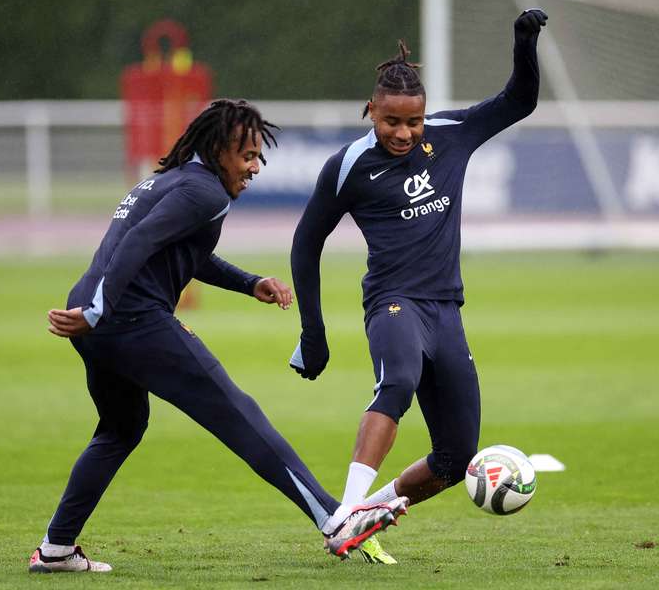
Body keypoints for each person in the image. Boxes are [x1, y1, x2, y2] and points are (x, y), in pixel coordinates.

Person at [29, 99, 408, 574]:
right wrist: (98, 311)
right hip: (125, 318)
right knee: (237, 413)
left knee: (120, 429)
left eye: (258, 157)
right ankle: (335, 521)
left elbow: (184, 251)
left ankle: (55, 549)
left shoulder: (175, 180)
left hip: (97, 319)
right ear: (218, 149)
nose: (254, 167)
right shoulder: (204, 192)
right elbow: (139, 241)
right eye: (247, 155)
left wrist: (249, 282)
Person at [289, 10, 547, 564]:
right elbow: (304, 243)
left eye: (414, 122)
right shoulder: (349, 166)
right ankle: (346, 514)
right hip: (392, 304)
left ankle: (360, 516)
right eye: (391, 122)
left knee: (457, 457)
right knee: (398, 381)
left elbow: (520, 101)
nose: (403, 133)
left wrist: (523, 43)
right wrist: (313, 331)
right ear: (371, 110)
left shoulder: (453, 135)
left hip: (445, 310)